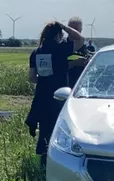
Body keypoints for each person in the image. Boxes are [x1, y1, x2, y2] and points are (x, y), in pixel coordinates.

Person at [25, 20, 85, 168]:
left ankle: (39, 165)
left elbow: (32, 78)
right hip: (58, 95)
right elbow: (80, 39)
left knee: (44, 131)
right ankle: (57, 165)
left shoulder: (36, 52)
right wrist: (64, 26)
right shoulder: (61, 49)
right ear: (59, 35)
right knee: (60, 131)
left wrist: (47, 78)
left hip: (41, 96)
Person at [66, 17, 90, 88]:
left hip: (82, 87)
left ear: (81, 30)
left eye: (76, 29)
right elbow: (56, 68)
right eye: (71, 29)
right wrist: (74, 63)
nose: (73, 32)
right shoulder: (61, 46)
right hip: (65, 86)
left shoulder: (86, 47)